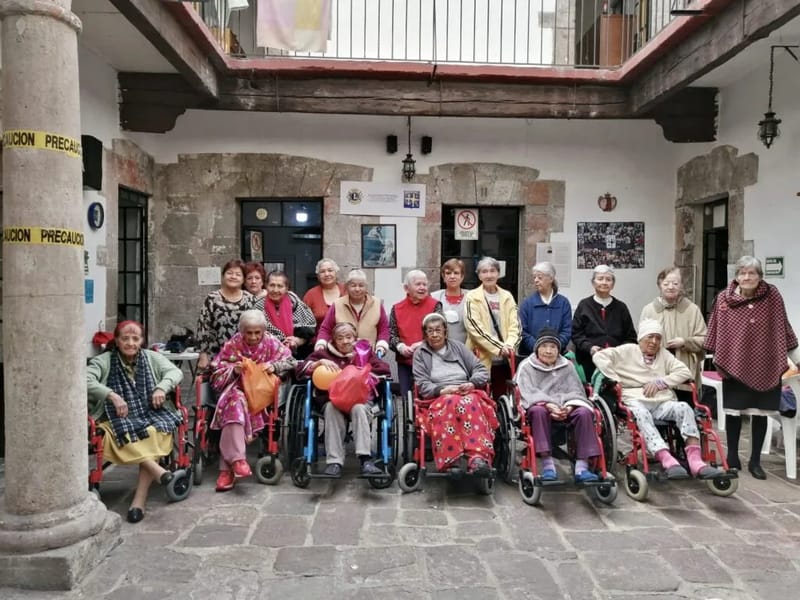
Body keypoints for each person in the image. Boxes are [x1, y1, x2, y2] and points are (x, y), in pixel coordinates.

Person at [705, 256, 800, 479]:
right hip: (733, 361)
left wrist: (794, 356)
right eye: (742, 273)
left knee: (761, 413)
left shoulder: (772, 295)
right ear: (736, 276)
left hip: (766, 363)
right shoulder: (724, 298)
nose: (747, 277)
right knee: (734, 412)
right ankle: (732, 458)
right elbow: (716, 328)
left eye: (752, 273)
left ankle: (755, 460)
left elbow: (782, 325)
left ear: (759, 276)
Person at [592, 319, 721, 479]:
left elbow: (684, 371)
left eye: (658, 338)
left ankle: (695, 461)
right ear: (641, 338)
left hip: (662, 402)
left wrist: (661, 382)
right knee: (641, 413)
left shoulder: (664, 354)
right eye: (650, 337)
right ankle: (665, 458)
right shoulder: (627, 350)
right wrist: (615, 378)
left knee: (684, 408)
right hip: (634, 400)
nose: (654, 342)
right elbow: (600, 357)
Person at [87, 321, 184, 523]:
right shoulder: (103, 361)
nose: (130, 343)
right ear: (117, 340)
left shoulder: (151, 357)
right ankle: (157, 474)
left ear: (142, 341)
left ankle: (138, 500)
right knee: (118, 433)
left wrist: (161, 387)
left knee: (155, 432)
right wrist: (111, 395)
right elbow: (85, 379)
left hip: (148, 412)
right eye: (125, 338)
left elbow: (176, 372)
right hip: (112, 417)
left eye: (135, 338)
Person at [210, 310, 296, 492]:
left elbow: (291, 361)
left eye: (258, 332)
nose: (254, 336)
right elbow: (217, 371)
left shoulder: (271, 342)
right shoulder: (233, 344)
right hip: (236, 389)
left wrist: (274, 366)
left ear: (263, 330)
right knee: (234, 403)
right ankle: (237, 461)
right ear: (242, 331)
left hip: (262, 395)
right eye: (249, 332)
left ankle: (226, 469)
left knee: (237, 405)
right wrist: (234, 371)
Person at [297, 322, 391, 477]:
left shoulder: (364, 352)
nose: (345, 341)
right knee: (330, 408)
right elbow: (300, 368)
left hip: (360, 400)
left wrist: (362, 371)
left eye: (349, 337)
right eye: (340, 338)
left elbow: (384, 370)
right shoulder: (325, 353)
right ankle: (334, 462)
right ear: (334, 340)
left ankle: (365, 460)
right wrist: (318, 363)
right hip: (334, 401)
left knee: (359, 409)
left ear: (355, 338)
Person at [413, 313, 497, 474]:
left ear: (445, 332)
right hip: (439, 396)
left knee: (471, 401)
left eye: (438, 330)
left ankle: (477, 458)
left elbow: (481, 370)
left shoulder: (458, 347)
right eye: (430, 331)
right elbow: (422, 384)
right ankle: (452, 460)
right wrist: (442, 390)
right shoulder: (420, 354)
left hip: (466, 391)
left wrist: (471, 383)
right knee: (449, 403)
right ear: (425, 334)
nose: (435, 334)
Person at [515, 328, 600, 482]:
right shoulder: (526, 366)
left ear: (558, 349)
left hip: (566, 406)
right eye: (544, 346)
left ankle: (582, 467)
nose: (548, 351)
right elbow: (526, 391)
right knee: (538, 411)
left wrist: (569, 407)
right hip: (542, 406)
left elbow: (577, 390)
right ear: (537, 348)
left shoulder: (567, 365)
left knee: (585, 413)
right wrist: (548, 405)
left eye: (553, 347)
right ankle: (548, 466)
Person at [639, 266, 707, 387]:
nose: (671, 287)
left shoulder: (692, 310)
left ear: (681, 286)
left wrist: (685, 342)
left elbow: (705, 339)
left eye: (675, 283)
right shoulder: (649, 310)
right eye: (666, 283)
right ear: (659, 285)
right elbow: (641, 342)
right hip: (655, 371)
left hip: (684, 370)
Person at [464, 256, 520, 398]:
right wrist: (499, 347)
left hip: (505, 359)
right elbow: (474, 328)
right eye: (484, 271)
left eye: (492, 271)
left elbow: (516, 326)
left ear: (498, 273)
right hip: (481, 357)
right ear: (479, 275)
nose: (488, 275)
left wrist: (509, 345)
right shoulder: (472, 297)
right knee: (482, 397)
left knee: (503, 396)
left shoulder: (507, 296)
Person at [572, 264, 637, 382]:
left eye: (608, 279)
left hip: (616, 363)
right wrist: (590, 348)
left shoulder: (621, 307)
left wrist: (618, 352)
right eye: (600, 278)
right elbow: (576, 334)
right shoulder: (584, 305)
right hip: (589, 361)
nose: (604, 282)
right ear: (593, 282)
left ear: (613, 284)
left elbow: (631, 337)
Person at [389, 270, 442, 400]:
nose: (422, 287)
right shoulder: (396, 308)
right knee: (407, 400)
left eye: (425, 284)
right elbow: (392, 335)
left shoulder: (435, 305)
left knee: (429, 398)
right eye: (418, 284)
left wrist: (422, 344)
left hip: (431, 361)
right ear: (406, 288)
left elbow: (441, 332)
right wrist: (400, 347)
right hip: (405, 362)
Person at [196, 259, 256, 372]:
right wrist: (203, 355)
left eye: (238, 274)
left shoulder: (250, 299)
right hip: (216, 355)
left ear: (243, 279)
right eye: (229, 273)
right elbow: (203, 328)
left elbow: (257, 326)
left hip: (245, 356)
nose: (233, 277)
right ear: (223, 276)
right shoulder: (212, 299)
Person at [315, 268, 390, 357]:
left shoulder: (377, 304)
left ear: (366, 287)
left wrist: (381, 345)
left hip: (368, 356)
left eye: (361, 285)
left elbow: (384, 329)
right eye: (353, 285)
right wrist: (321, 343)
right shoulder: (337, 304)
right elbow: (326, 329)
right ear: (347, 287)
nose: (357, 289)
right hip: (341, 357)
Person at [255, 270, 317, 359]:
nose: (275, 290)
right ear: (266, 286)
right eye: (272, 285)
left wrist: (298, 340)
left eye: (280, 286)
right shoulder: (258, 307)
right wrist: (281, 343)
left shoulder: (295, 302)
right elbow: (255, 333)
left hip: (299, 353)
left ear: (286, 288)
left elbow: (309, 326)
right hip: (268, 355)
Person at [518, 261, 573, 357]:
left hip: (557, 356)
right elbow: (522, 331)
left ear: (551, 278)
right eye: (534, 277)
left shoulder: (563, 303)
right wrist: (538, 348)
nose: (536, 280)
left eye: (540, 277)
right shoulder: (527, 303)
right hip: (530, 356)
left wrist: (554, 348)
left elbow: (567, 330)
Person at [430, 258, 469, 344]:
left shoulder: (471, 297)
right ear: (443, 277)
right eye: (448, 273)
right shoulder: (434, 297)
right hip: (440, 348)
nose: (452, 276)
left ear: (462, 276)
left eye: (456, 273)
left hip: (466, 350)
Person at [302, 258, 346, 330]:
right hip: (319, 340)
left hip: (346, 339)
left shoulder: (346, 291)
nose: (327, 274)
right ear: (318, 276)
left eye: (330, 270)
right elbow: (303, 322)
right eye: (322, 271)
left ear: (336, 273)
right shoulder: (311, 295)